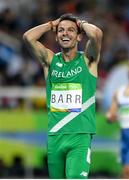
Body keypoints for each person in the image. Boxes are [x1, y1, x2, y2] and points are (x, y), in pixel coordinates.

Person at [23, 13, 103, 179]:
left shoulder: (88, 60)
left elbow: (96, 34)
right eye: (61, 31)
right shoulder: (50, 61)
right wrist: (52, 24)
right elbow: (28, 37)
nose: (65, 33)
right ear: (57, 35)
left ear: (79, 36)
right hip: (55, 136)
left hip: (80, 136)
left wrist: (80, 22)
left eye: (71, 30)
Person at [106, 81, 129, 179]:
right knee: (126, 170)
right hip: (125, 134)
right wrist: (110, 117)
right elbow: (110, 115)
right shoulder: (119, 92)